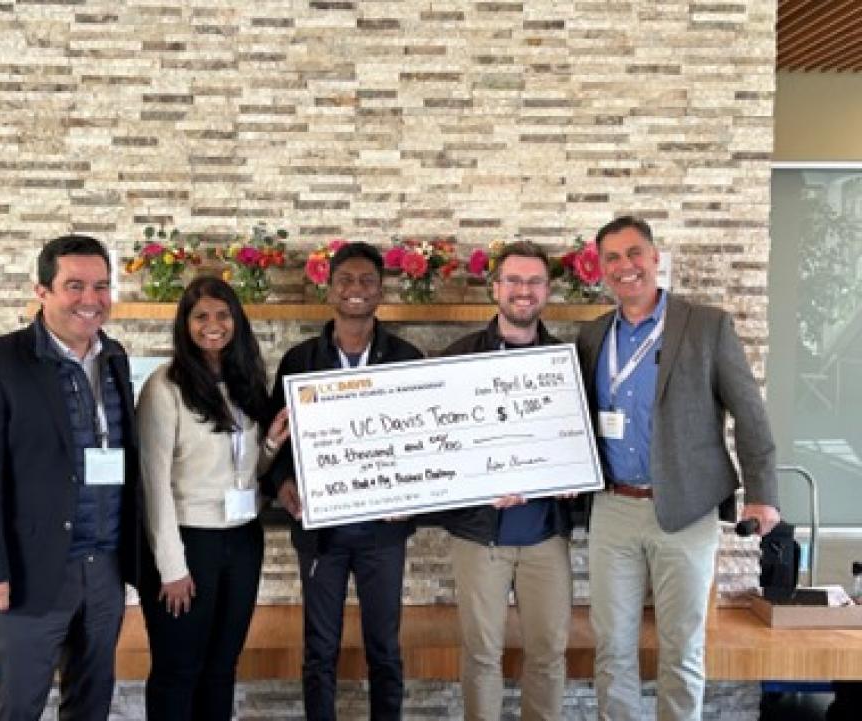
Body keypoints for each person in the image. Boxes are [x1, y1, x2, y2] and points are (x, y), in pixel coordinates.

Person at [576, 215, 781, 721]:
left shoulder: (706, 325)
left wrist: (763, 492)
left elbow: (749, 413)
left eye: (634, 253)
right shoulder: (592, 334)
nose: (625, 266)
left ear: (654, 257)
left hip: (686, 510)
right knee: (612, 649)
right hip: (613, 509)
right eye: (613, 259)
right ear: (602, 270)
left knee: (682, 650)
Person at [0, 234, 141, 721]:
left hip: (105, 569)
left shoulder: (115, 356)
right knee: (19, 706)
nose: (90, 299)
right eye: (74, 285)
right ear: (41, 291)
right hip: (29, 573)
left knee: (90, 704)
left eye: (101, 286)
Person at [267, 241, 423, 720]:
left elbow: (428, 440)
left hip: (383, 533)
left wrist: (416, 495)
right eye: (346, 281)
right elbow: (277, 439)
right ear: (329, 288)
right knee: (319, 651)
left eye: (366, 282)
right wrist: (281, 484)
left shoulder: (407, 358)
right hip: (321, 534)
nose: (356, 290)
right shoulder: (299, 360)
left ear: (381, 291)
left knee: (384, 649)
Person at [136, 276, 289, 720]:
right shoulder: (164, 387)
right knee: (178, 670)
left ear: (237, 321)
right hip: (189, 543)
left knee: (222, 668)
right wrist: (172, 567)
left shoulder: (244, 382)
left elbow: (248, 472)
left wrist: (272, 446)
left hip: (242, 540)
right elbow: (154, 484)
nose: (213, 325)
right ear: (184, 324)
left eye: (223, 315)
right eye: (200, 316)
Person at [439, 241, 574, 721]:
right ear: (495, 288)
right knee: (479, 656)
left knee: (549, 654)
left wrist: (576, 474)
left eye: (534, 281)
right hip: (481, 537)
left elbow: (582, 444)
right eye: (513, 280)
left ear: (547, 292)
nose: (523, 291)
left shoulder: (567, 363)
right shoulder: (456, 360)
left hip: (545, 535)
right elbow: (441, 449)